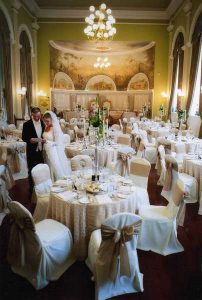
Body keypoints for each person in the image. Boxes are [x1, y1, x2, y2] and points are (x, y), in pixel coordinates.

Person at [22, 107, 46, 192]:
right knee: (31, 170)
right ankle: (32, 189)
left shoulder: (43, 123)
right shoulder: (26, 124)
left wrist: (44, 140)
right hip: (31, 151)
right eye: (34, 116)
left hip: (41, 151)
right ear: (31, 115)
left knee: (41, 169)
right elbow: (24, 138)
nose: (36, 118)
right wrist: (30, 140)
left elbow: (45, 136)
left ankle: (41, 188)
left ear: (40, 114)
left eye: (38, 116)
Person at [43, 111, 71, 180]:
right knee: (48, 167)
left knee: (55, 167)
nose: (46, 123)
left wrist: (47, 142)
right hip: (46, 151)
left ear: (52, 120)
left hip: (53, 151)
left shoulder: (54, 128)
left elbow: (56, 143)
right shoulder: (46, 127)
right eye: (45, 121)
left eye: (47, 121)